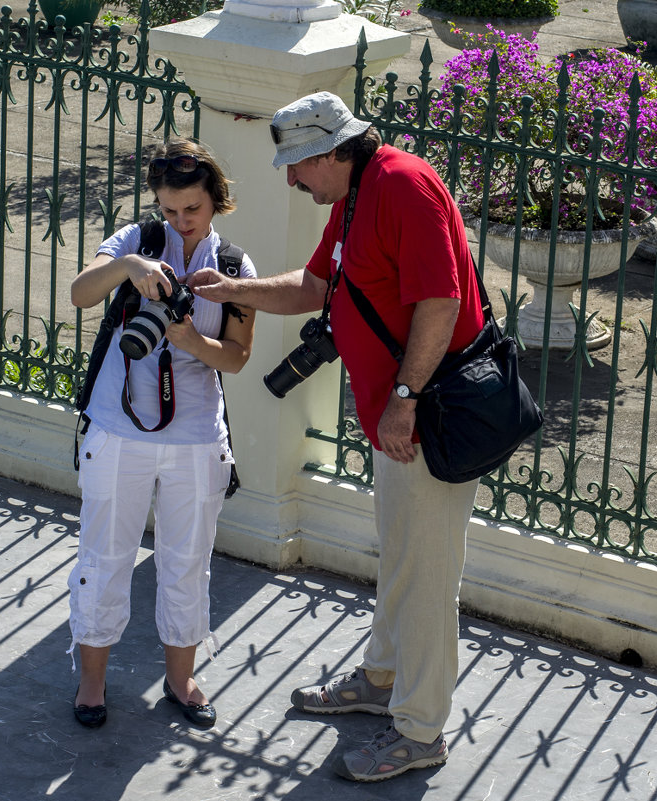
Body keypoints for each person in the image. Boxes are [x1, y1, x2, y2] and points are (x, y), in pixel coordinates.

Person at [188, 92, 484, 781]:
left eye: (296, 166)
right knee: (403, 558)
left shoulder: (402, 185)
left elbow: (439, 301)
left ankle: (418, 731)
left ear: (330, 152)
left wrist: (404, 399)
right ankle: (382, 682)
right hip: (399, 417)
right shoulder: (354, 195)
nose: (291, 179)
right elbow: (317, 286)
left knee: (427, 573)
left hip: (428, 415)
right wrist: (236, 290)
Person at [67, 138, 256, 730]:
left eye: (192, 210)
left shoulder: (232, 268)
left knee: (187, 561)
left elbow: (238, 357)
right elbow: (79, 293)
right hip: (117, 429)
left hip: (197, 437)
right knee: (104, 556)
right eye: (169, 209)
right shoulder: (137, 241)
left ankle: (181, 679)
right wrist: (129, 268)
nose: (179, 221)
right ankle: (91, 684)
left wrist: (192, 343)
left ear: (216, 203)